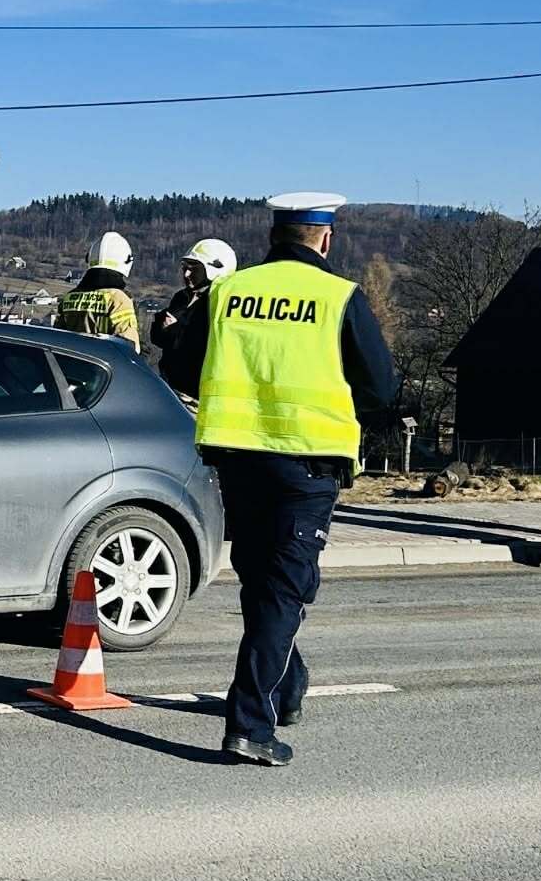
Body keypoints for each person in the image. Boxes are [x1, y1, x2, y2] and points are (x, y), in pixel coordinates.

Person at [160, 193, 399, 767]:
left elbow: (179, 367)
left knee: (263, 586)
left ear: (272, 236)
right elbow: (382, 389)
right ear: (324, 237)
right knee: (283, 593)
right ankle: (249, 724)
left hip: (239, 461)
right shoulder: (340, 297)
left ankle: (285, 689)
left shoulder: (226, 294)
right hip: (307, 464)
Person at [150, 238, 237, 360]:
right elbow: (158, 338)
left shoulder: (221, 302)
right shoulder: (181, 297)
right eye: (185, 268)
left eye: (194, 269)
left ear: (213, 269)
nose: (186, 274)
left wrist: (173, 329)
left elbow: (201, 343)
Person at [56, 231, 140, 351]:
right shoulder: (118, 299)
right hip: (103, 367)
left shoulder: (69, 297)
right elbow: (129, 349)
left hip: (68, 367)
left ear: (89, 259)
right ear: (126, 261)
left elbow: (57, 340)